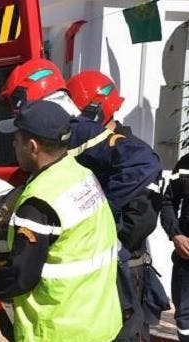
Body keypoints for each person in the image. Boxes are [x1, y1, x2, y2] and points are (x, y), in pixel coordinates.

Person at [0, 59, 164, 340]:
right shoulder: (62, 134)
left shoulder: (78, 131)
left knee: (126, 325)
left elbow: (144, 164)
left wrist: (102, 207)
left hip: (110, 258)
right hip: (85, 276)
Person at [0, 100, 122, 341]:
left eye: (16, 139)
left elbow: (21, 277)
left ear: (32, 146)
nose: (13, 144)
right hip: (98, 321)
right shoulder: (82, 175)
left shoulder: (38, 203)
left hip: (59, 329)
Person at [67, 70, 166, 340]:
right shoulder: (88, 153)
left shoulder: (133, 156)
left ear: (95, 109)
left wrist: (96, 220)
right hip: (93, 268)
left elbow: (139, 223)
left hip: (126, 271)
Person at [159, 154, 189, 342]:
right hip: (186, 259)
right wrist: (175, 234)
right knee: (185, 315)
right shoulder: (186, 164)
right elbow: (168, 201)